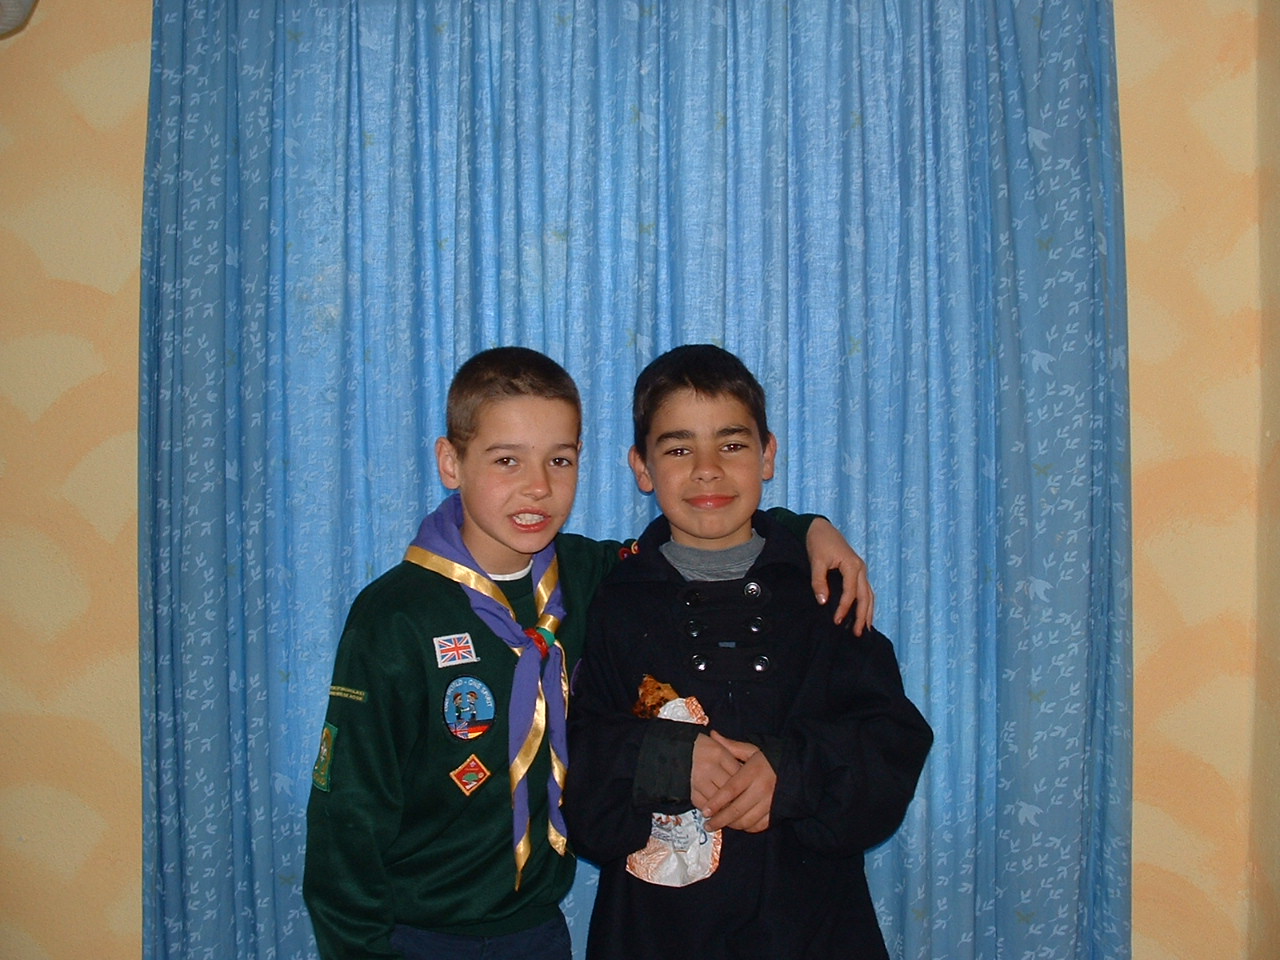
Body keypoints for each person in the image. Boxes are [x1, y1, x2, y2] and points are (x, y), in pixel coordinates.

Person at [303, 346, 875, 960]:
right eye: (506, 460)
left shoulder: (587, 575)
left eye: (560, 460)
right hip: (412, 931)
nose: (538, 487)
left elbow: (707, 526)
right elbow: (348, 821)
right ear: (451, 462)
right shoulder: (395, 615)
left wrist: (808, 528)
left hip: (538, 930)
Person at [563, 344, 933, 960]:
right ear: (642, 467)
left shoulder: (824, 595)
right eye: (678, 449)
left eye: (731, 444)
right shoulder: (614, 601)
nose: (707, 470)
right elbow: (577, 772)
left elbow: (890, 741)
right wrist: (663, 760)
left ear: (767, 455)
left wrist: (791, 773)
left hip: (814, 927)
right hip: (654, 933)